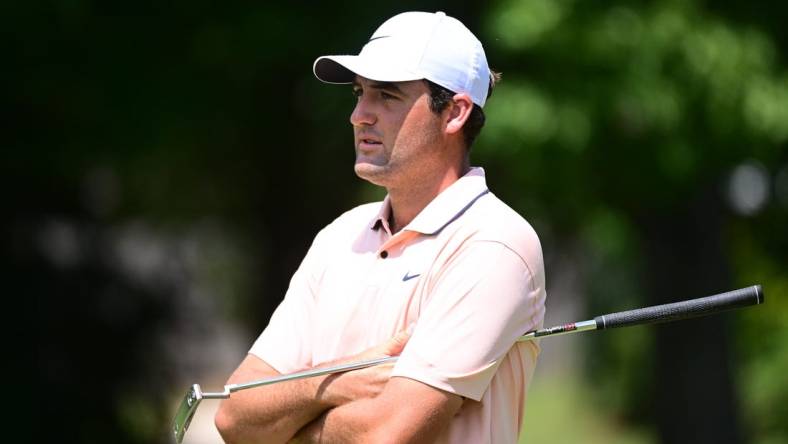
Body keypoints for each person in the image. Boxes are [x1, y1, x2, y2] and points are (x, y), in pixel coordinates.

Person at [215, 11, 546, 444]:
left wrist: (291, 427)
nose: (359, 115)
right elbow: (235, 418)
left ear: (455, 113)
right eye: (359, 93)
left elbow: (387, 435)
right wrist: (339, 377)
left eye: (387, 96)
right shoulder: (340, 236)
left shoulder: (495, 245)